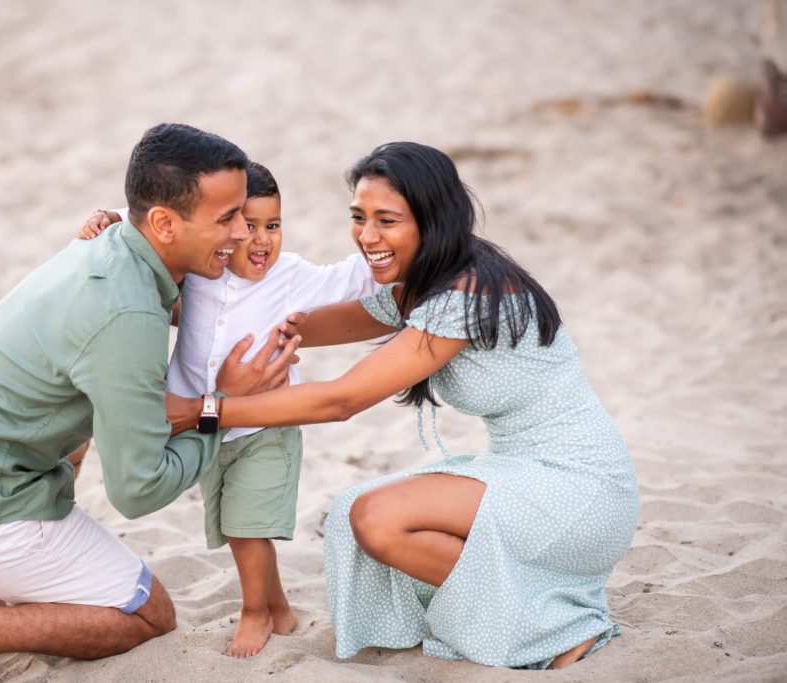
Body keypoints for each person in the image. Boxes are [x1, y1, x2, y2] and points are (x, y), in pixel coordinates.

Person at [167, 142, 639, 669]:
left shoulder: (467, 294)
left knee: (378, 517)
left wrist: (203, 410)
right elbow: (298, 322)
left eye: (386, 220)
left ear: (431, 220)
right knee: (352, 515)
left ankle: (554, 627)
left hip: (578, 485)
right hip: (523, 470)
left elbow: (341, 400)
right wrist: (205, 305)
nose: (367, 237)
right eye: (359, 217)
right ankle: (528, 607)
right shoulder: (419, 287)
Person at [0, 123, 302, 683]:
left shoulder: (108, 248)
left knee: (77, 429)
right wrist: (218, 406)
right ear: (163, 223)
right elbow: (138, 489)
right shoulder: (127, 314)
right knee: (149, 615)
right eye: (227, 219)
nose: (244, 235)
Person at [78, 161, 380, 657]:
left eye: (274, 225)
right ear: (225, 227)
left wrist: (398, 243)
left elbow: (355, 278)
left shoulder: (291, 277)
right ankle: (280, 607)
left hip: (266, 427)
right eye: (249, 226)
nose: (261, 240)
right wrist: (107, 217)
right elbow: (157, 220)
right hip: (207, 425)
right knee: (237, 527)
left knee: (247, 526)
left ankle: (256, 612)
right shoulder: (202, 269)